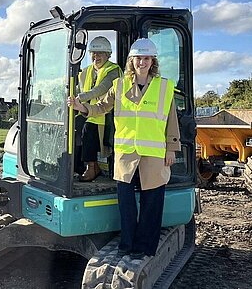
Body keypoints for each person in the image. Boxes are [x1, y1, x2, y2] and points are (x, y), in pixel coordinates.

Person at [68, 38, 181, 259]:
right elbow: (102, 107)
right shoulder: (119, 85)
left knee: (152, 204)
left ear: (152, 61)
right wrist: (83, 107)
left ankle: (145, 247)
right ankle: (127, 244)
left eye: (146, 58)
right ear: (132, 61)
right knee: (126, 204)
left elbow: (172, 120)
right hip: (126, 154)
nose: (142, 62)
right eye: (138, 58)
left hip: (154, 154)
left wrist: (171, 149)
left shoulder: (164, 87)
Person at [74, 36, 122, 182]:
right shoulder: (86, 71)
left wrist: (80, 98)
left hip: (107, 112)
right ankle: (77, 166)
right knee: (73, 127)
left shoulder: (113, 70)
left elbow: (100, 89)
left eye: (100, 53)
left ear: (108, 55)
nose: (96, 56)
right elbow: (78, 89)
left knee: (88, 130)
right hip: (88, 110)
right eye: (94, 53)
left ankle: (92, 167)